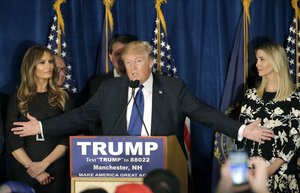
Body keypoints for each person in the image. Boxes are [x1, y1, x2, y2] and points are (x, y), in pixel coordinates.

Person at [11, 41, 274, 156]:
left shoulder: (172, 88)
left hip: (162, 169)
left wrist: (241, 129)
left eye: (138, 61)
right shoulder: (111, 89)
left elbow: (203, 112)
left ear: (151, 62)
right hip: (119, 169)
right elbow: (80, 116)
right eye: (127, 63)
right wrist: (42, 126)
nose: (133, 68)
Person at [5, 45, 74, 193]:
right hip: (24, 170)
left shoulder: (64, 97)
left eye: (50, 62)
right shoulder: (17, 97)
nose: (49, 66)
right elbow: (13, 140)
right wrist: (32, 167)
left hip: (54, 169)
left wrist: (44, 165)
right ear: (31, 66)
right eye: (42, 62)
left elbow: (66, 139)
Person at [238, 42, 300, 193]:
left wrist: (271, 169)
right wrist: (239, 174)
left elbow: (295, 139)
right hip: (250, 174)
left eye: (261, 59)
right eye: (257, 59)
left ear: (276, 61)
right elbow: (239, 136)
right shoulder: (251, 95)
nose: (257, 64)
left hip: (282, 176)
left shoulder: (294, 97)